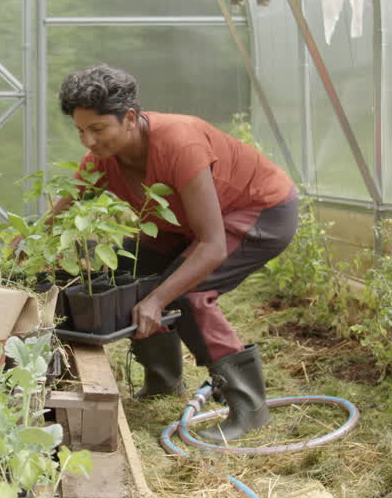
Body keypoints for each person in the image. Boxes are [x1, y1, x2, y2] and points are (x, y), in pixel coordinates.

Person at [55, 64, 299, 443]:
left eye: (97, 129)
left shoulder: (178, 142)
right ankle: (164, 381)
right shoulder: (102, 161)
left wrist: (159, 299)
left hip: (258, 212)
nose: (87, 141)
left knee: (186, 292)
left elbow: (212, 245)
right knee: (132, 271)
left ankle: (248, 406)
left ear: (130, 118)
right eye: (80, 131)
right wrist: (17, 255)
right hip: (185, 224)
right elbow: (58, 218)